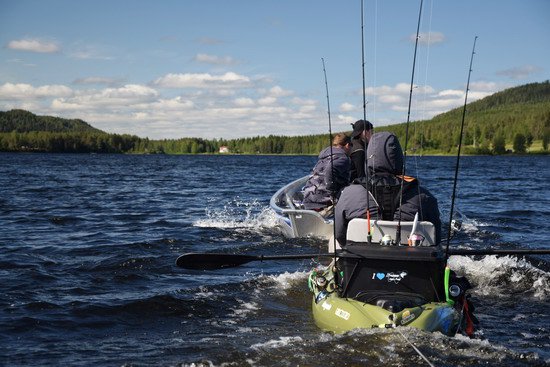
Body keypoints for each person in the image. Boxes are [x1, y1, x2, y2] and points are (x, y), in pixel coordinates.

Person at [334, 131, 441, 245]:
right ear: (399, 157)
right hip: (409, 261)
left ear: (369, 157)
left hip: (359, 261)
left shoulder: (348, 194)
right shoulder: (425, 197)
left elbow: (339, 235)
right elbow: (436, 239)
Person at [302, 133, 352, 212]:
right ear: (347, 145)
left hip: (308, 197)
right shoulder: (343, 158)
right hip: (321, 201)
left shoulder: (325, 156)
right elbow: (330, 170)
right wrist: (332, 193)